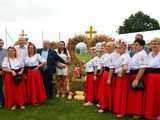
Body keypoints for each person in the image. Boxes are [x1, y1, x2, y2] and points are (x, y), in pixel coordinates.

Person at [127, 39, 148, 119]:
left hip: (137, 75)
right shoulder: (136, 53)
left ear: (142, 46)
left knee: (138, 95)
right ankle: (132, 110)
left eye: (137, 45)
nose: (134, 46)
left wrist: (136, 79)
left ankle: (138, 112)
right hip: (132, 75)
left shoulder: (142, 54)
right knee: (133, 95)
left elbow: (142, 68)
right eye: (134, 44)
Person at [113, 40, 131, 118]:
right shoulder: (121, 55)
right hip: (120, 76)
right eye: (117, 48)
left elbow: (125, 66)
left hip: (123, 77)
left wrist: (121, 73)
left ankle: (122, 112)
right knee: (119, 93)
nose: (118, 49)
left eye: (120, 48)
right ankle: (118, 110)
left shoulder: (126, 55)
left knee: (122, 94)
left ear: (125, 48)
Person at [144, 38, 160, 119]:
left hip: (158, 78)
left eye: (156, 43)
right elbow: (146, 65)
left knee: (158, 95)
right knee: (150, 95)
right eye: (153, 43)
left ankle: (158, 114)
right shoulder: (149, 54)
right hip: (149, 77)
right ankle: (150, 113)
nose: (154, 45)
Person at [97, 41, 115, 113]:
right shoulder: (107, 54)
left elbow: (112, 68)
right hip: (105, 73)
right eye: (106, 46)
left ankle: (106, 107)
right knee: (104, 91)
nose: (107, 48)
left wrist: (109, 78)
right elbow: (104, 65)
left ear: (113, 47)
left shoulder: (113, 55)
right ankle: (104, 105)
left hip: (109, 74)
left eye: (109, 46)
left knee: (108, 91)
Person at [0, 39, 6, 108]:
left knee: (6, 87)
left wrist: (4, 69)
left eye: (2, 43)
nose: (1, 44)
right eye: (0, 43)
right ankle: (1, 102)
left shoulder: (5, 51)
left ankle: (6, 100)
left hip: (5, 70)